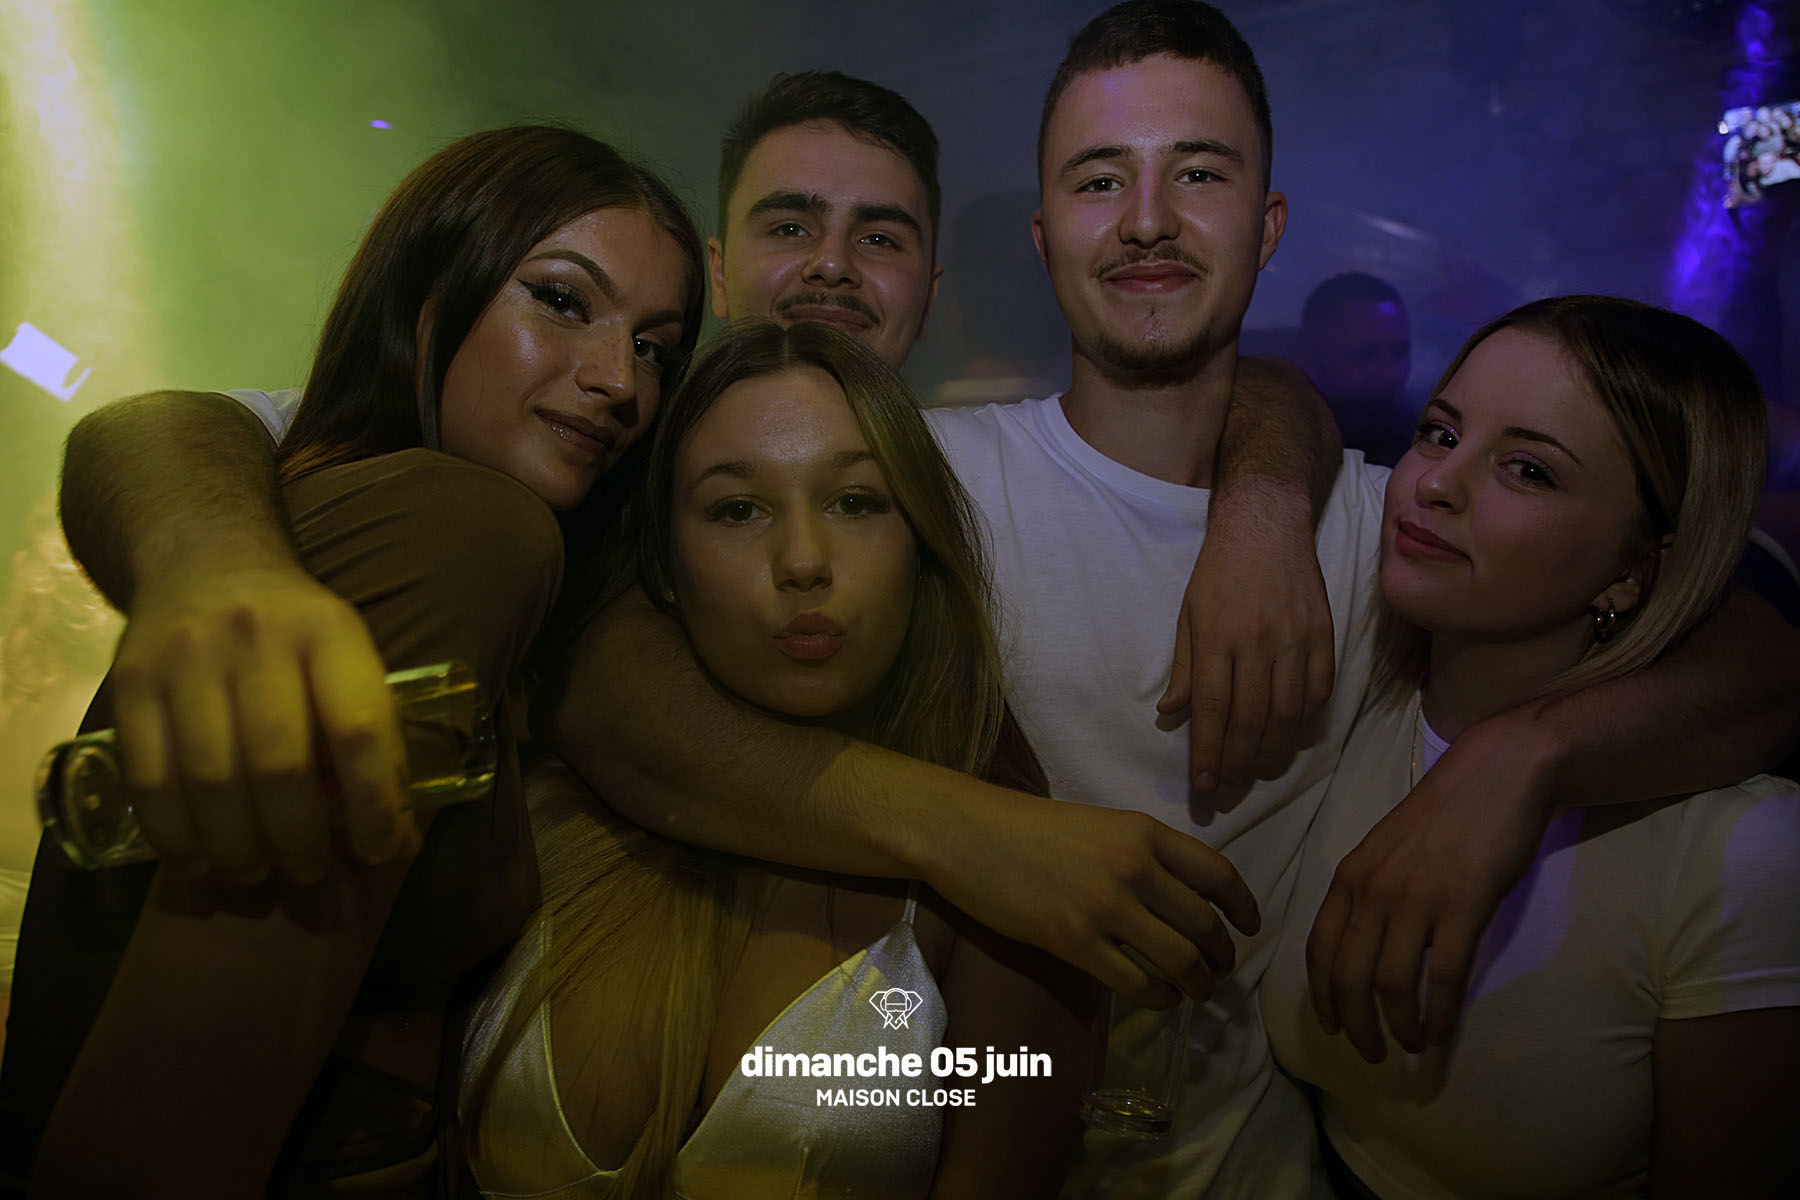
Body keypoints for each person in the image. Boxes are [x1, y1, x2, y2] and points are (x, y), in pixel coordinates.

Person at [45, 67, 1339, 1009]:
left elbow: (1220, 399)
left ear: (930, 290)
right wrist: (217, 569)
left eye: (881, 237)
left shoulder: (956, 470)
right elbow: (176, 428)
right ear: (723, 270)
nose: (831, 266)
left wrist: (1264, 512)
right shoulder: (583, 450)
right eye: (791, 224)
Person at [9, 124, 708, 1195]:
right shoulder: (467, 522)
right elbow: (152, 432)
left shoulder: (511, 572)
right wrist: (216, 570)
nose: (620, 380)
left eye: (654, 347)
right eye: (563, 300)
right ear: (428, 298)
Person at [461, 320, 1095, 1198]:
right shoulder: (540, 802)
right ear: (666, 567)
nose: (802, 562)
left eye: (855, 503)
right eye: (738, 509)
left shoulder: (1010, 881)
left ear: (921, 543)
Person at [1263, 296, 1799, 1198]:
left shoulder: (1742, 853)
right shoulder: (1361, 689)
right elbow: (1258, 394)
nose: (1437, 482)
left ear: (1635, 569)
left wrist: (1530, 754)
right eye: (1440, 433)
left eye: (1529, 470)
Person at [1298, 272, 1414, 466]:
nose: (1390, 371)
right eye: (1366, 354)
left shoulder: (1419, 434)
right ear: (1313, 355)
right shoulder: (1285, 434)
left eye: (1399, 352)